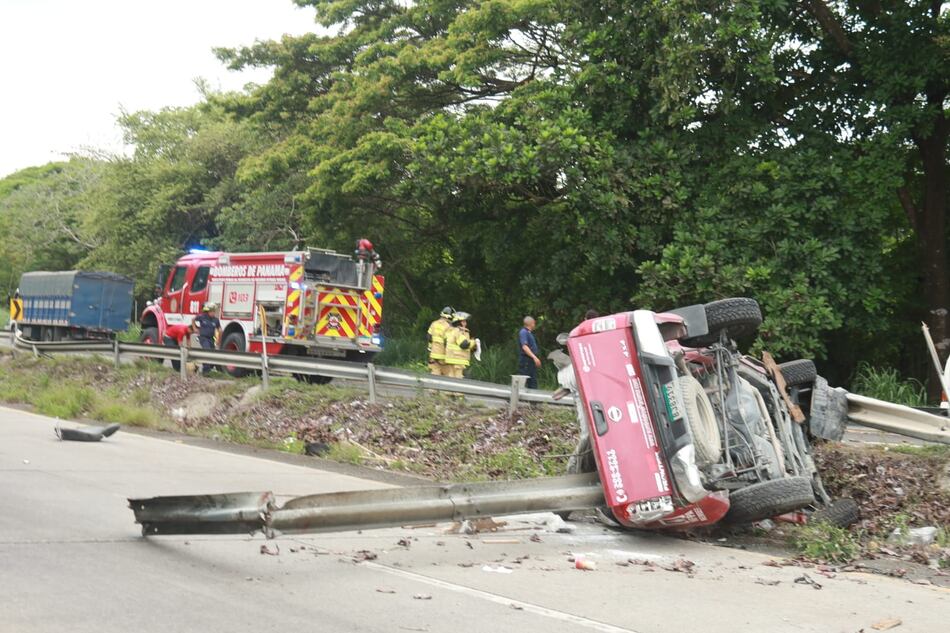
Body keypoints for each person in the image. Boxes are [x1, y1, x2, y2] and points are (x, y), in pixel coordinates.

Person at [444, 311, 476, 379]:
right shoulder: (458, 331)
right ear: (459, 322)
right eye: (464, 322)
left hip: (451, 358)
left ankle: (446, 390)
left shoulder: (452, 331)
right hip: (458, 360)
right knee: (458, 379)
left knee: (451, 377)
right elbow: (464, 344)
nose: (465, 323)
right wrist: (474, 342)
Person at [192, 303, 221, 375]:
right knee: (207, 350)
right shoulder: (202, 317)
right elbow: (193, 319)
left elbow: (219, 329)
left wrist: (218, 340)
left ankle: (209, 369)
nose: (213, 313)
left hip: (211, 338)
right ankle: (205, 371)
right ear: (208, 312)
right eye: (212, 311)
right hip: (203, 338)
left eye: (214, 311)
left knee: (212, 353)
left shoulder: (216, 320)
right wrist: (195, 328)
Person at [426, 306, 454, 375]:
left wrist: (431, 347)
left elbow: (428, 336)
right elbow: (448, 341)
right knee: (449, 374)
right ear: (450, 317)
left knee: (435, 373)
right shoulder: (448, 326)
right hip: (443, 355)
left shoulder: (434, 323)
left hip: (433, 354)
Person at [518, 316, 541, 389]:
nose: (534, 325)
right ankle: (517, 398)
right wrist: (534, 357)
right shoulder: (523, 332)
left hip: (530, 361)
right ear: (531, 323)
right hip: (526, 361)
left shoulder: (529, 333)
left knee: (532, 381)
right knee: (523, 381)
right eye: (534, 323)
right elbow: (525, 347)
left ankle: (532, 399)